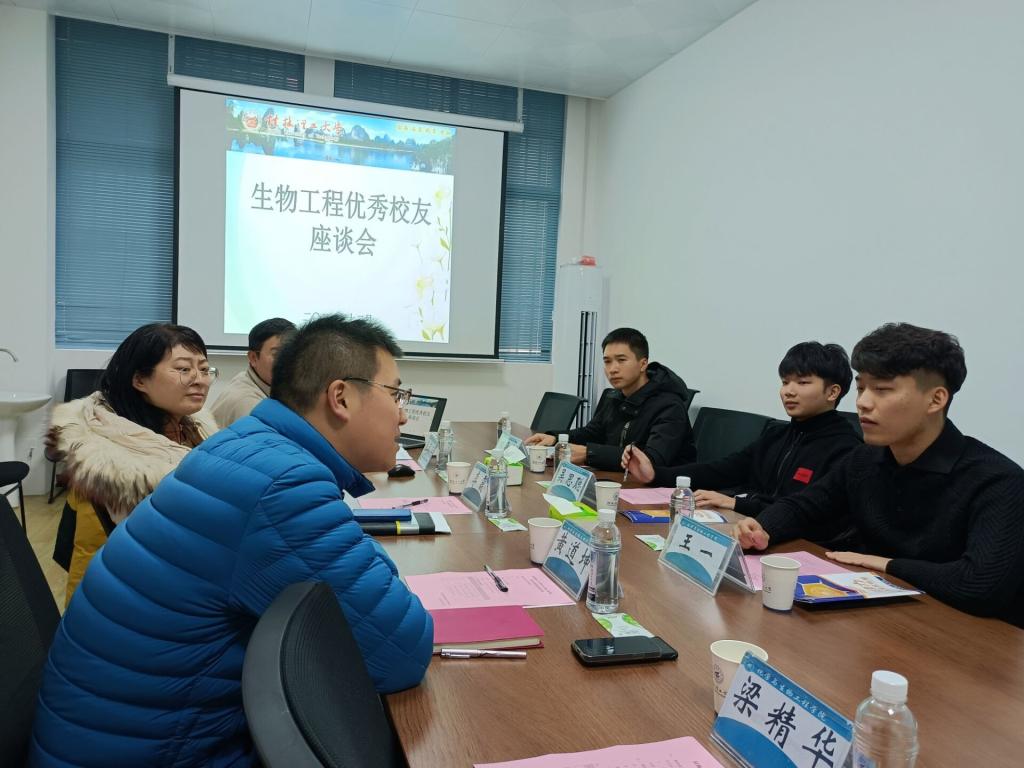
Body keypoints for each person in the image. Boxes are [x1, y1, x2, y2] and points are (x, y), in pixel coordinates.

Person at [30, 314, 434, 767]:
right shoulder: (283, 487)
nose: (403, 414)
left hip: (111, 733)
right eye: (396, 394)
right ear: (340, 397)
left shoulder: (249, 446)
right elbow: (401, 653)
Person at [736, 323, 1024, 626]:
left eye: (882, 390)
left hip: (966, 635)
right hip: (879, 619)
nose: (862, 402)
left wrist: (887, 564)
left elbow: (979, 584)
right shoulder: (865, 459)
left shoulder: (998, 481)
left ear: (936, 400)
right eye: (861, 388)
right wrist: (763, 528)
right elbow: (805, 505)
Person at [47, 323, 218, 605]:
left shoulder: (194, 427)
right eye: (184, 369)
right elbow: (92, 563)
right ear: (139, 379)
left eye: (204, 369)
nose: (200, 380)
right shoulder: (110, 468)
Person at [622, 342, 860, 515]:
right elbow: (723, 470)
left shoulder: (846, 449)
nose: (789, 391)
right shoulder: (777, 435)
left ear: (832, 392)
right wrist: (656, 474)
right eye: (785, 382)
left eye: (803, 382)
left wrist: (738, 503)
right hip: (755, 530)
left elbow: (807, 512)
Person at [525, 327, 695, 470]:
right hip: (620, 480)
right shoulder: (615, 397)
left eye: (621, 360)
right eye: (607, 361)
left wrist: (589, 454)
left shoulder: (669, 406)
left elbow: (651, 461)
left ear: (643, 364)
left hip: (660, 491)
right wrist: (556, 438)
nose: (612, 369)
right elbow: (591, 433)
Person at [211, 317, 295, 427]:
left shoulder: (251, 379)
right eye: (277, 354)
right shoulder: (249, 405)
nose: (287, 360)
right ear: (253, 358)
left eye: (293, 352)